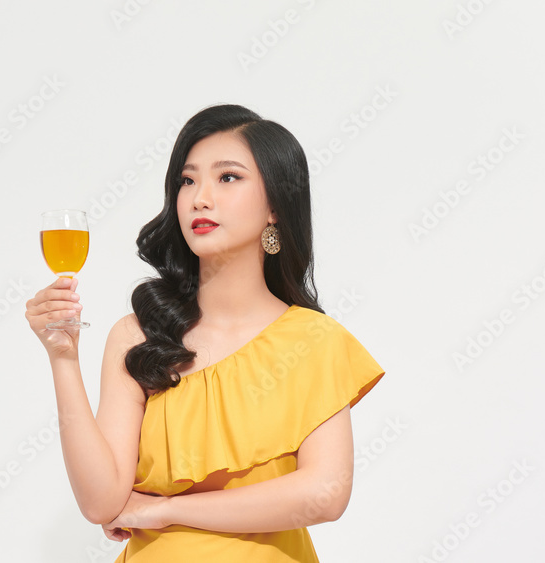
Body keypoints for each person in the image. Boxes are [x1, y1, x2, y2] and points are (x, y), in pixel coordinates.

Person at [24, 104, 385, 561]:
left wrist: (165, 511)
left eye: (228, 178)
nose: (199, 198)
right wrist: (63, 358)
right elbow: (101, 503)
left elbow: (325, 493)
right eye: (188, 181)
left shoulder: (315, 340)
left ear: (276, 206)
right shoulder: (138, 336)